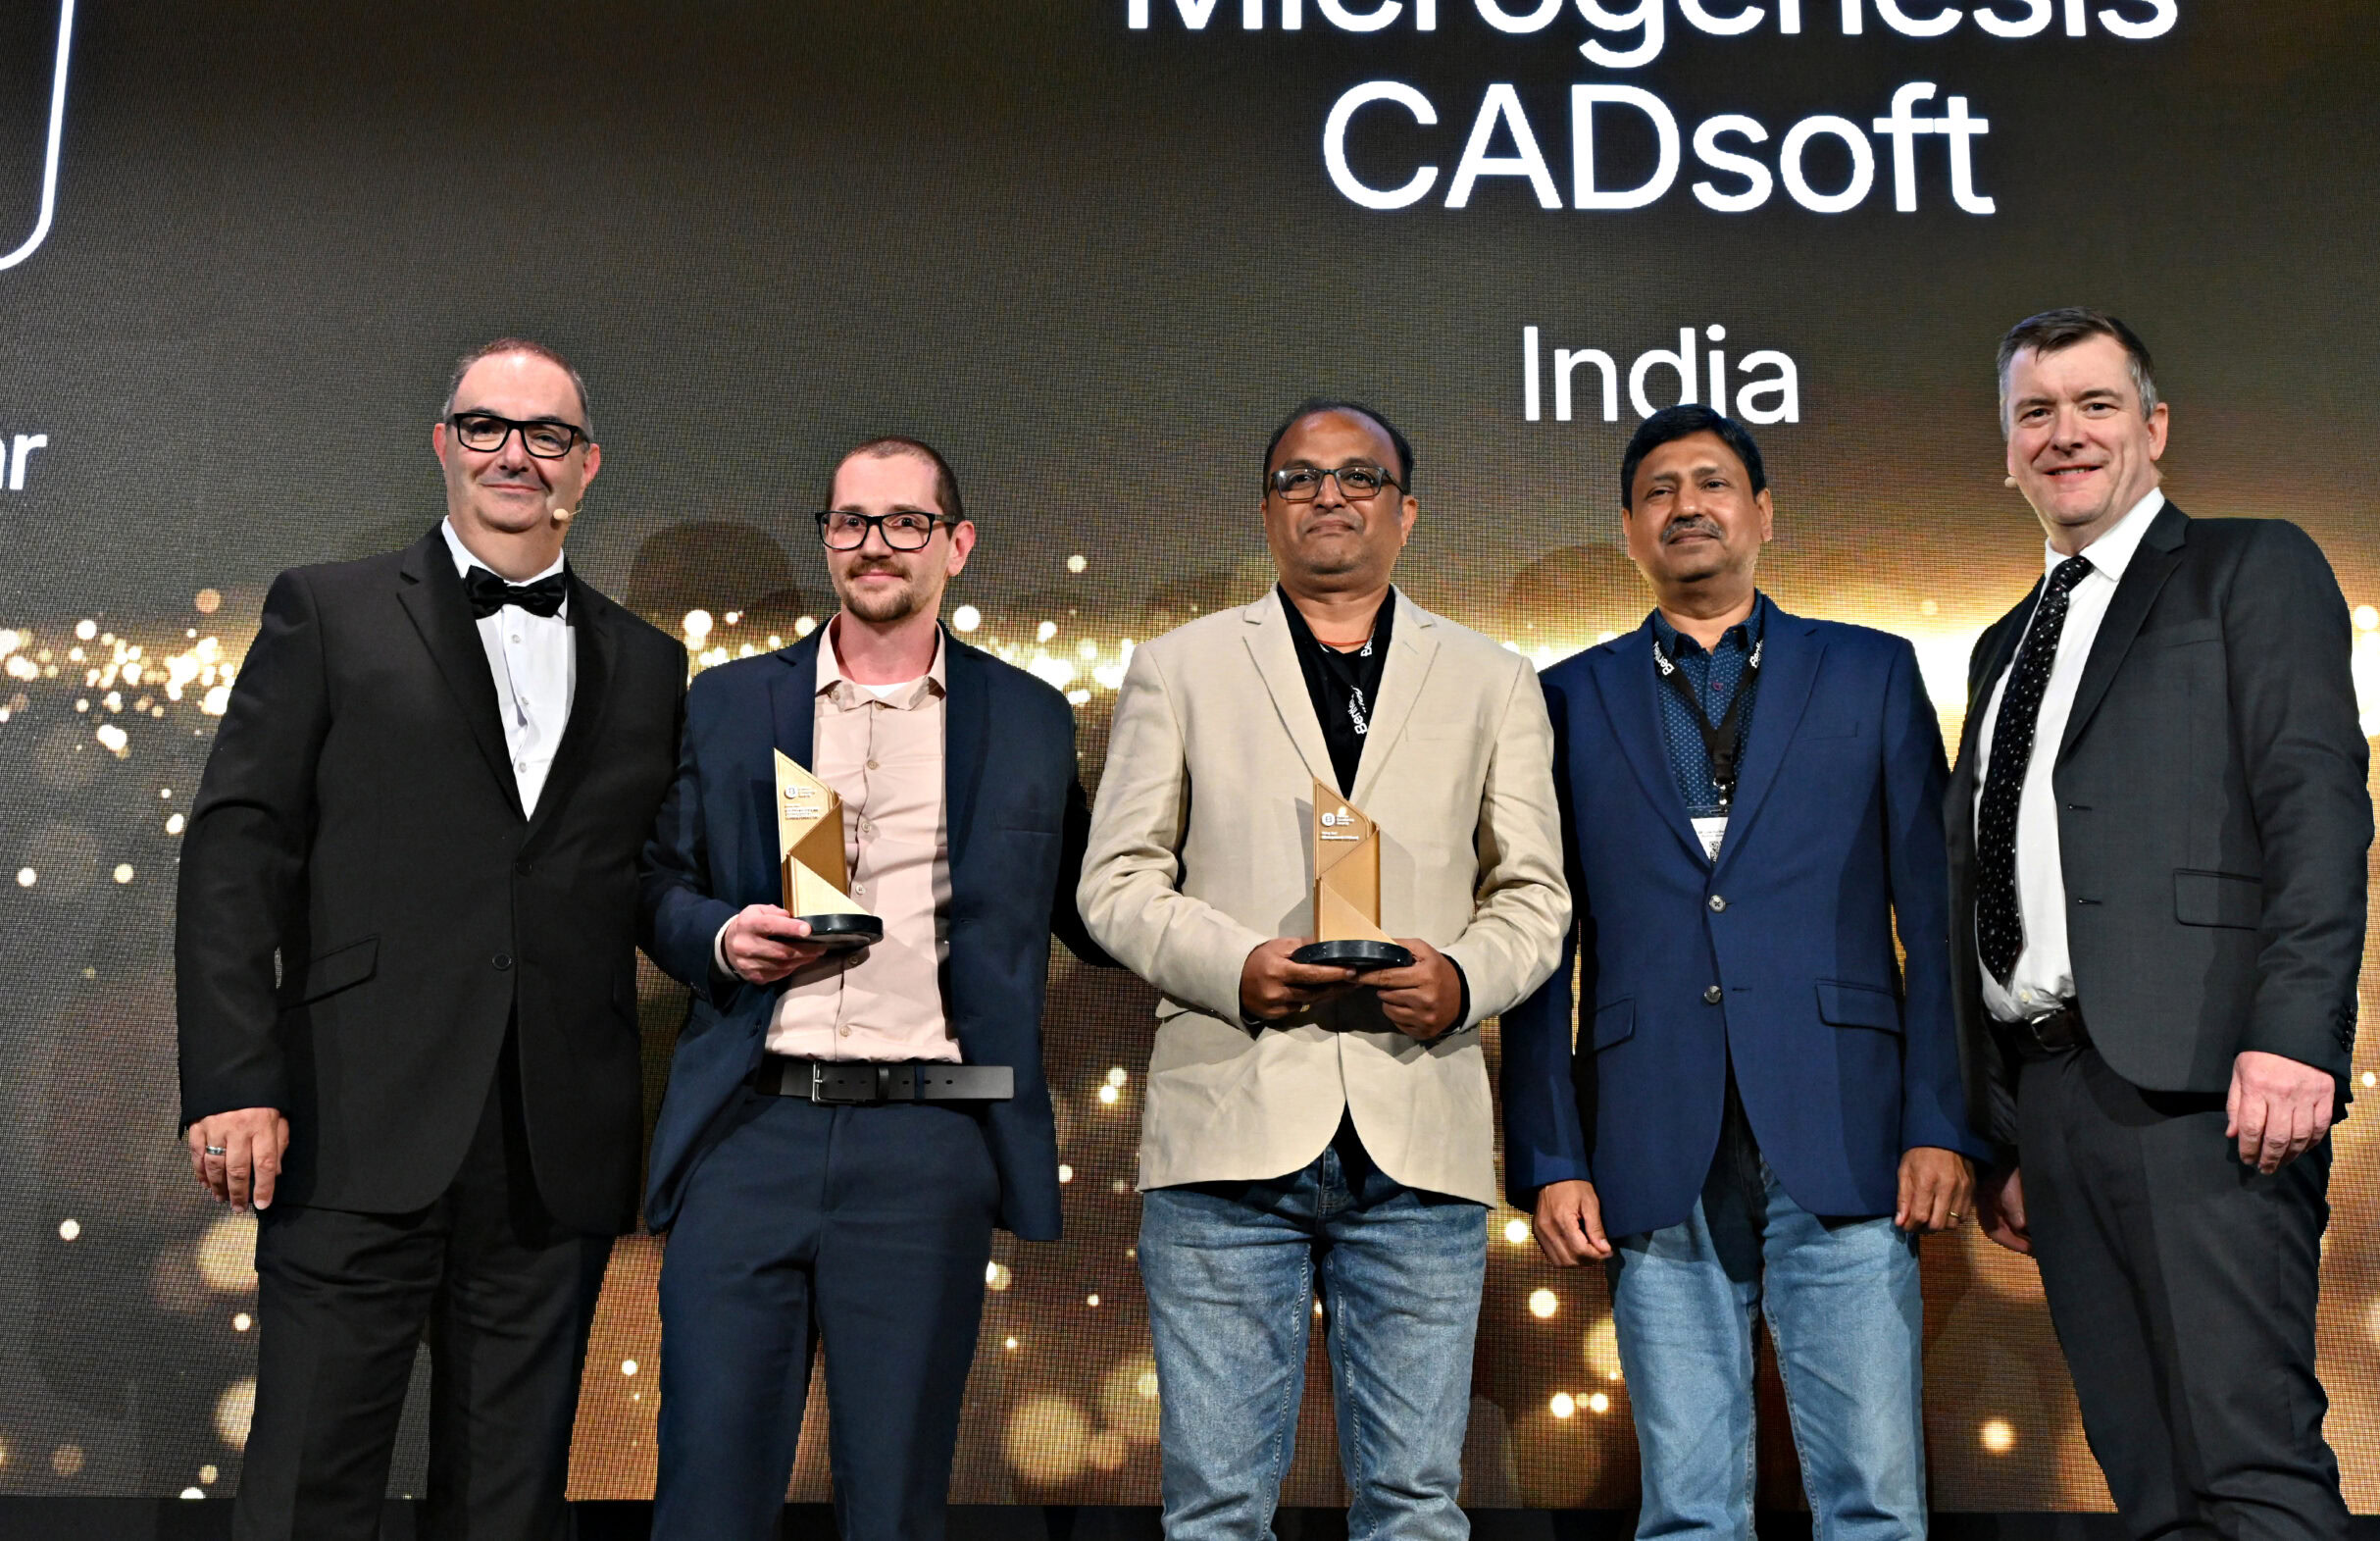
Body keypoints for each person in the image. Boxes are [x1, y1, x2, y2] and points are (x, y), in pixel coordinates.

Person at [175, 338, 685, 1539]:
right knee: (307, 1488)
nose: (515, 453)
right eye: (486, 426)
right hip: (354, 1116)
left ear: (587, 465)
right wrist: (235, 1080)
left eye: (547, 433)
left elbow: (644, 878)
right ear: (444, 444)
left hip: (553, 1141)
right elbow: (238, 855)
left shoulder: (650, 664)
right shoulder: (329, 610)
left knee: (510, 1507)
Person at [1080, 399, 1570, 1541]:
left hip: (1418, 1130)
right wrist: (1235, 965)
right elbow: (1116, 882)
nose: (1328, 497)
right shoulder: (1179, 667)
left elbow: (1534, 894)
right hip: (1227, 1124)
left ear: (1406, 512)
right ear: (1266, 512)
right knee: (1216, 1510)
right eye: (1298, 478)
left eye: (1358, 477)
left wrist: (1461, 978)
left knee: (1413, 1504)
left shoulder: (1492, 677)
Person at [1502, 405, 1982, 1540]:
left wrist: (1941, 1121)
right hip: (1647, 1132)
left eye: (1712, 483)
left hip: (1848, 1130)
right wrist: (1550, 1155)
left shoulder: (1870, 671)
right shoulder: (1563, 698)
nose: (1687, 506)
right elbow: (1537, 943)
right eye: (1659, 491)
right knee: (1686, 1512)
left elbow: (1934, 919)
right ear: (1630, 530)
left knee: (1873, 1501)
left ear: (1762, 513)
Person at [1950, 310, 2369, 1539]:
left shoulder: (2249, 567)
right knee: (2148, 1489)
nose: (2064, 434)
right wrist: (2006, 1132)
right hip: (2055, 1100)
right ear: (2007, 451)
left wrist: (2293, 1036)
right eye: (2035, 412)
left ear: (2154, 426)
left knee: (2250, 1463)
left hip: (2207, 1088)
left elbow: (2313, 812)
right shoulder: (2001, 645)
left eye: (2094, 405)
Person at [638, 436, 1102, 1541]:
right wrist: (721, 937)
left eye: (905, 522)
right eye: (850, 521)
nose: (875, 544)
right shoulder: (732, 702)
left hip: (927, 1141)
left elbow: (1096, 907)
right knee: (705, 1494)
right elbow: (656, 882)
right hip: (750, 1130)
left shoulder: (1029, 717)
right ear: (828, 539)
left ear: (957, 544)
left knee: (894, 1503)